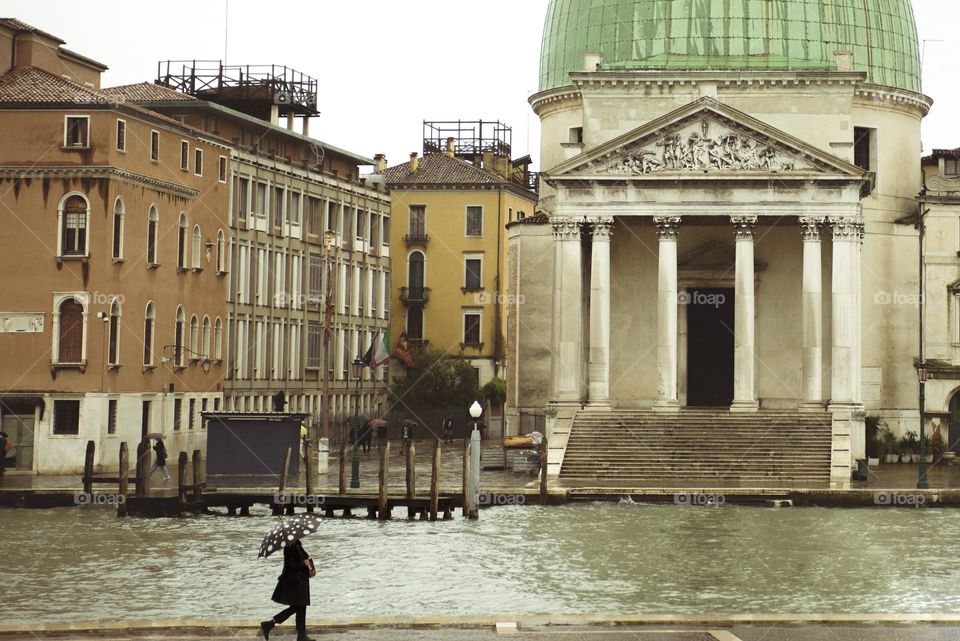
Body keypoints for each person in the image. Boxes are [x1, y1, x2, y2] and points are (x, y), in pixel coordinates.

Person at [261, 539, 314, 641]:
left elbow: (302, 559)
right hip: (295, 583)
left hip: (300, 582)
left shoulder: (297, 544)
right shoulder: (289, 547)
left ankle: (301, 636)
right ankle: (270, 624)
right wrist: (303, 563)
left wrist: (306, 558)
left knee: (301, 608)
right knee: (298, 607)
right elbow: (290, 566)